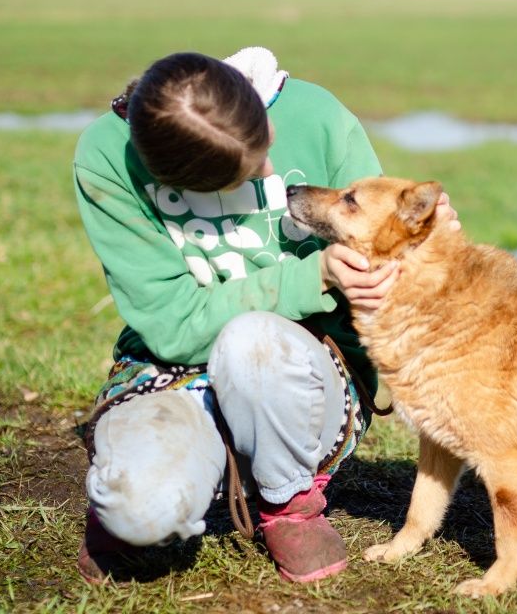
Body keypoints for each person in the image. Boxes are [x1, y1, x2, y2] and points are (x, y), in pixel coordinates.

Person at [71, 47, 455, 584]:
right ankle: (168, 478)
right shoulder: (108, 158)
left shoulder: (318, 114)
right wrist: (312, 276)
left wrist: (425, 240)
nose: (271, 171)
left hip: (293, 374)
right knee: (136, 509)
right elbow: (173, 324)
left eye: (267, 142)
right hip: (173, 374)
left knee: (252, 340)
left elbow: (386, 235)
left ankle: (287, 496)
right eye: (249, 173)